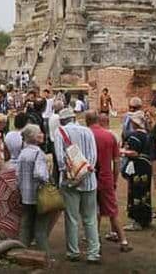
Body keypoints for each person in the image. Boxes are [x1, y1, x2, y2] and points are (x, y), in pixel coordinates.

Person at [53, 108, 100, 264]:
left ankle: (73, 251)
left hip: (69, 182)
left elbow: (60, 159)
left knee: (72, 218)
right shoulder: (87, 131)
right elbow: (93, 157)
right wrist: (84, 173)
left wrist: (72, 176)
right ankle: (94, 252)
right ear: (74, 118)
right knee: (90, 218)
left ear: (61, 121)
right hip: (89, 180)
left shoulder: (60, 132)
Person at [86, 110, 131, 252]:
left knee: (93, 210)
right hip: (106, 176)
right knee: (112, 211)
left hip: (90, 176)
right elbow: (117, 161)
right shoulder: (110, 136)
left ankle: (94, 239)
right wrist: (115, 179)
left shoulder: (86, 135)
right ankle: (123, 241)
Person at [16, 124, 51, 253]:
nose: (42, 135)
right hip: (39, 195)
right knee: (41, 228)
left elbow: (17, 175)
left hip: (26, 195)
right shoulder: (38, 153)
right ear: (33, 137)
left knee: (25, 224)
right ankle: (45, 255)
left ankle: (22, 252)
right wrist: (47, 179)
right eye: (39, 133)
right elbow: (40, 174)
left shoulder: (23, 153)